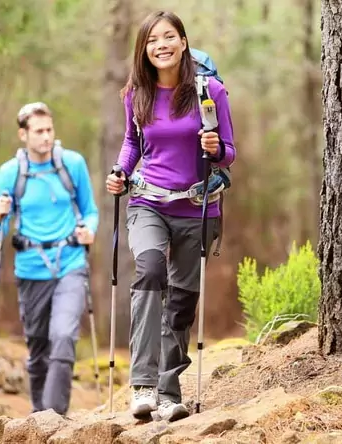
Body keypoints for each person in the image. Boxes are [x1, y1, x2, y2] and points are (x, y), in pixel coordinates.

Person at [105, 10, 236, 422]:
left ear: (182, 42)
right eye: (152, 40)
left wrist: (214, 148)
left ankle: (168, 390)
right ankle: (142, 384)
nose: (161, 45)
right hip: (148, 202)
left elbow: (228, 152)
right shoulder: (135, 93)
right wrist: (120, 171)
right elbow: (132, 143)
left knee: (180, 300)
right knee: (148, 270)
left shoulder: (208, 91)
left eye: (168, 37)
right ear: (144, 49)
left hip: (197, 208)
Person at [0, 102, 100, 416]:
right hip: (30, 269)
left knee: (63, 336)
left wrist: (88, 230)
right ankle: (39, 416)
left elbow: (90, 210)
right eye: (38, 131)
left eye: (49, 129)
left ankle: (55, 416)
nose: (46, 137)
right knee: (38, 348)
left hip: (70, 262)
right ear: (23, 135)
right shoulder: (10, 173)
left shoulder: (72, 164)